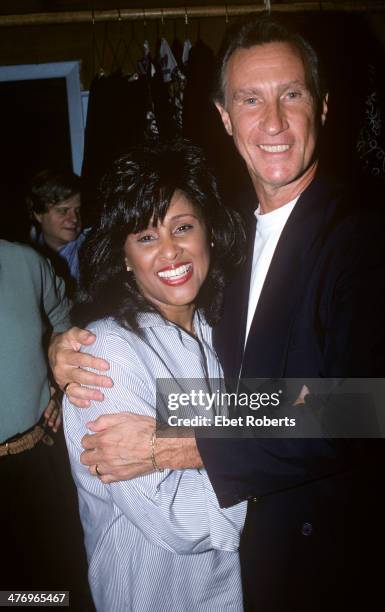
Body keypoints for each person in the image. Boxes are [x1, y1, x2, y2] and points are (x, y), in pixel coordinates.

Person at [50, 17, 385, 611]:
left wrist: (177, 444)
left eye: (290, 94)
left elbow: (370, 405)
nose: (272, 122)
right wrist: (65, 351)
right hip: (251, 572)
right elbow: (240, 390)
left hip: (332, 566)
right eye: (250, 99)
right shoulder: (231, 253)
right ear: (224, 117)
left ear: (321, 106)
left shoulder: (370, 235)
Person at [62, 141, 246, 612]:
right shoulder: (107, 353)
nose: (170, 251)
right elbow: (181, 523)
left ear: (207, 232)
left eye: (182, 227)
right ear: (124, 257)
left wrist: (188, 447)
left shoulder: (220, 330)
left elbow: (344, 408)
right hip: (152, 592)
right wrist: (270, 478)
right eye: (145, 237)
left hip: (231, 588)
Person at [0, 240, 93, 610]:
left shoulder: (23, 261)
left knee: (47, 594)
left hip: (33, 464)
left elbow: (64, 327)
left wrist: (58, 383)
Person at [27, 168, 87, 293]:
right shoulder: (25, 255)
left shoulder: (90, 254)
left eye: (77, 210)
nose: (74, 219)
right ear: (38, 213)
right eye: (63, 211)